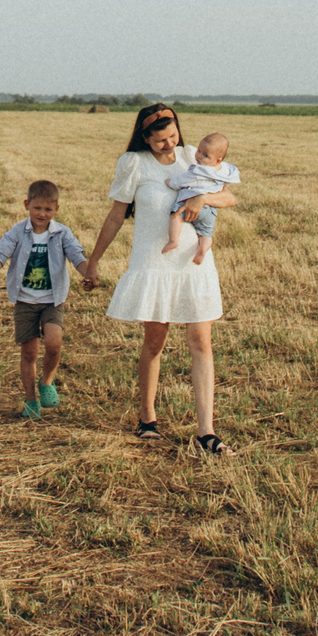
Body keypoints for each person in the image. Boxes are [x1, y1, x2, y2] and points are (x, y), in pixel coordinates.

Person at [84, 103, 240, 454]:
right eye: (160, 141)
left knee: (201, 343)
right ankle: (147, 418)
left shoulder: (193, 156)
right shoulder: (134, 164)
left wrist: (203, 196)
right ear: (145, 138)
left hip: (194, 266)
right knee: (154, 342)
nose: (169, 145)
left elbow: (228, 196)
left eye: (173, 137)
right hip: (155, 265)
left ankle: (206, 432)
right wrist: (94, 260)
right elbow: (115, 217)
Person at [0, 180, 93, 420]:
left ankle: (47, 381)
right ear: (27, 205)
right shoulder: (18, 231)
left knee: (54, 344)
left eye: (48, 210)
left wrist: (89, 273)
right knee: (28, 353)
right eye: (37, 208)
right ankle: (30, 399)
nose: (41, 214)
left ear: (56, 209)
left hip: (52, 300)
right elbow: (1, 254)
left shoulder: (62, 233)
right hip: (25, 301)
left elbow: (76, 256)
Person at [159, 131, 238, 265]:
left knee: (175, 217)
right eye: (199, 151)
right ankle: (203, 248)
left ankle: (173, 240)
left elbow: (182, 181)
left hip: (189, 204)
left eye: (205, 155)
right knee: (206, 233)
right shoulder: (224, 171)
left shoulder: (198, 170)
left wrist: (170, 182)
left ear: (218, 159)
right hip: (210, 211)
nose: (199, 156)